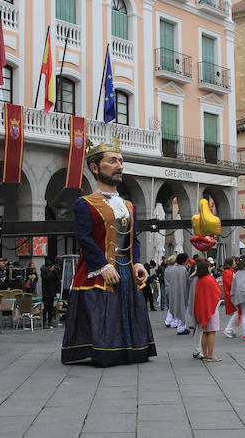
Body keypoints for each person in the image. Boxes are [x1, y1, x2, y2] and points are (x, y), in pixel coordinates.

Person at [61, 140, 156, 366]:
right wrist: (103, 266)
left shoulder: (129, 205)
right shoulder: (85, 203)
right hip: (99, 268)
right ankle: (106, 351)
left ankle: (131, 350)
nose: (119, 166)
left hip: (126, 266)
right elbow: (84, 238)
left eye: (121, 161)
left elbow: (134, 238)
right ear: (95, 168)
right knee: (104, 310)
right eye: (112, 161)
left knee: (128, 308)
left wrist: (139, 264)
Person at [191, 260, 222, 362]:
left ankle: (205, 354)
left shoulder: (199, 279)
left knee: (205, 332)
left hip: (202, 308)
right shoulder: (209, 278)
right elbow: (217, 292)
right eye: (209, 267)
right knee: (212, 332)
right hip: (211, 308)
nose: (210, 268)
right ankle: (210, 354)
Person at [164, 253, 190, 334]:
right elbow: (185, 282)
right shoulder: (182, 269)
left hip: (173, 291)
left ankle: (176, 324)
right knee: (183, 310)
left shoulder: (173, 268)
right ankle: (181, 327)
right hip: (181, 292)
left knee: (176, 308)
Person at [221, 257, 239, 338]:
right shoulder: (228, 272)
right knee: (236, 312)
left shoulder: (229, 271)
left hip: (231, 294)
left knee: (234, 312)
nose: (235, 263)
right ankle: (228, 329)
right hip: (231, 294)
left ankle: (231, 329)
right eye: (234, 262)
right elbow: (229, 284)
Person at [39, 263, 60, 329]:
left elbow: (57, 280)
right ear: (49, 267)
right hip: (46, 293)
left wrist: (55, 272)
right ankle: (44, 322)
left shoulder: (52, 272)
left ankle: (50, 321)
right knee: (46, 308)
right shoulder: (44, 272)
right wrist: (51, 271)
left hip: (52, 292)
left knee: (51, 308)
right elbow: (46, 278)